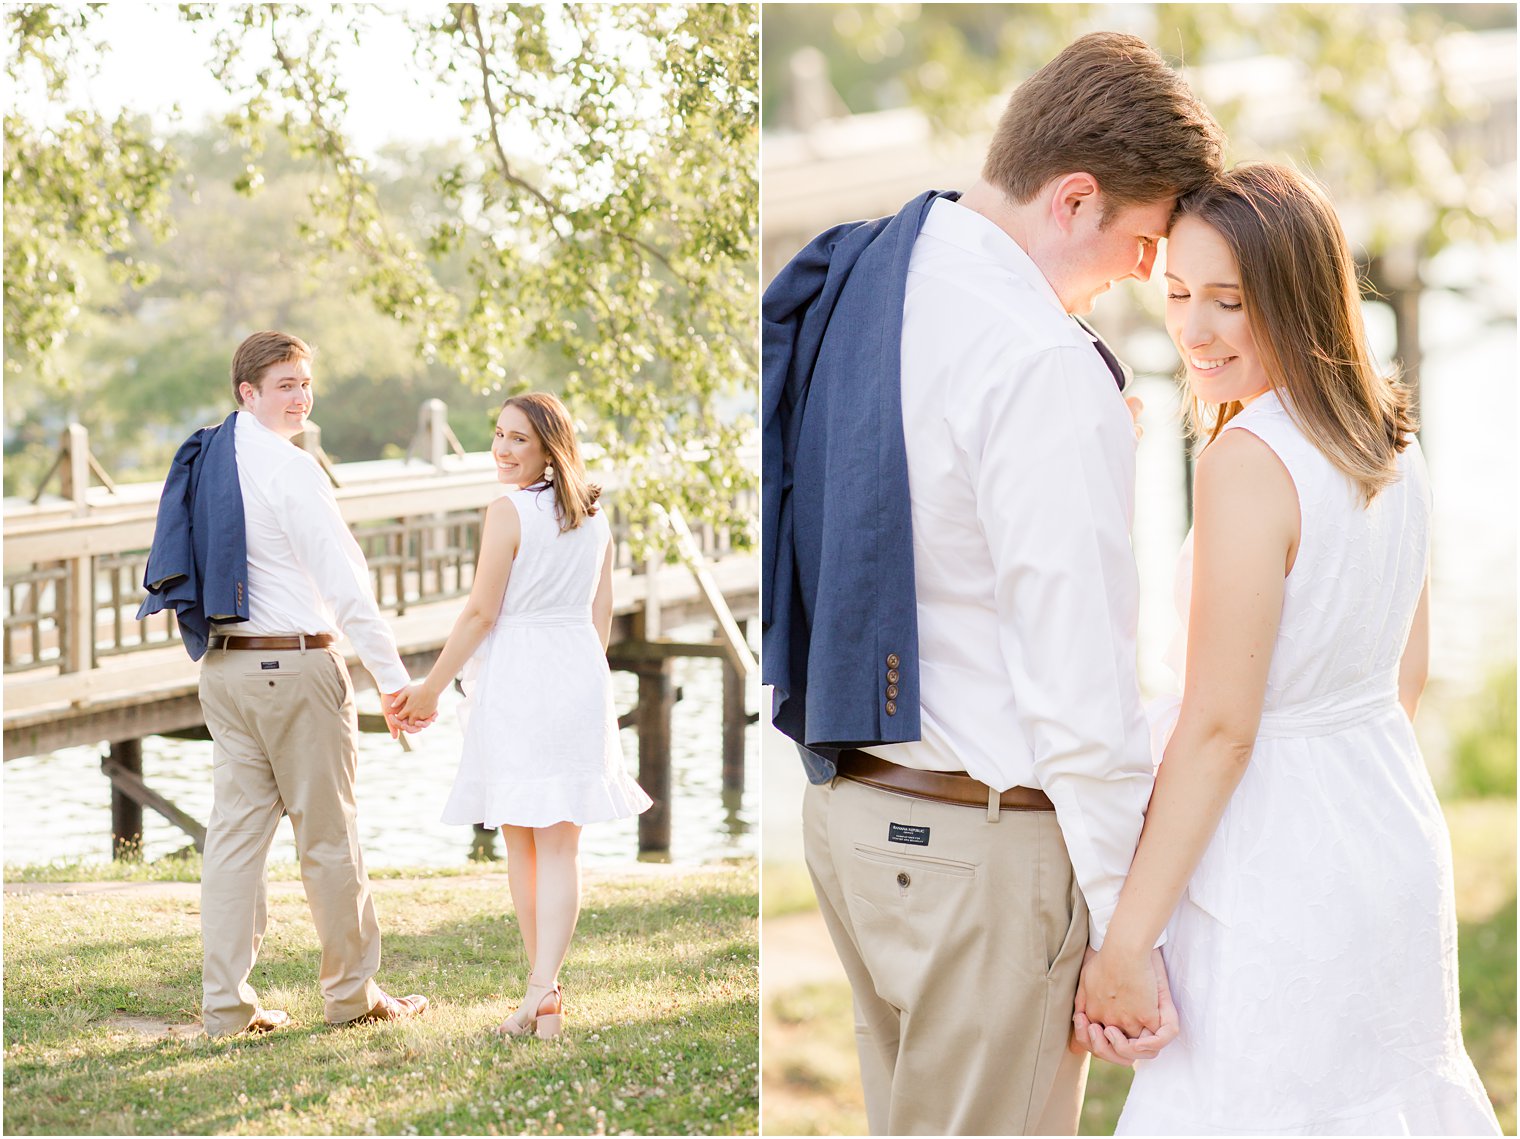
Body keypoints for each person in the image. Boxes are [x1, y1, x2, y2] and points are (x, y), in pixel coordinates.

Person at [762, 32, 1225, 1135]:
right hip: (980, 854)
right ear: (1073, 197)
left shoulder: (866, 272)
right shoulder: (1038, 365)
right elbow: (1077, 696)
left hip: (850, 816)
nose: (1146, 274)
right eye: (1144, 238)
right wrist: (1128, 932)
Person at [1073, 163, 1502, 1134]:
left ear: (1298, 296)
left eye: (1228, 300)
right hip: (1385, 827)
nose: (1193, 330)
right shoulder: (1387, 439)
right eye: (1177, 295)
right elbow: (1406, 672)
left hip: (1271, 867)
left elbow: (1221, 727)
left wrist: (1126, 941)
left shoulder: (1246, 460)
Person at [138, 330, 431, 1036]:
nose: (300, 397)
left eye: (304, 382)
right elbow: (347, 587)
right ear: (248, 392)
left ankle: (226, 1007)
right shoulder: (290, 469)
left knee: (234, 839)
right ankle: (352, 995)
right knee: (328, 837)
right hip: (294, 668)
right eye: (284, 386)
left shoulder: (210, 454)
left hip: (227, 669)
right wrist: (395, 682)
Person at [392, 392, 651, 1040]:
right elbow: (601, 613)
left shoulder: (506, 511)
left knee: (532, 844)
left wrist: (428, 688)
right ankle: (546, 996)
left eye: (518, 440)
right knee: (550, 844)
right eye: (499, 435)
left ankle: (540, 990)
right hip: (578, 672)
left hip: (520, 675)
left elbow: (481, 613)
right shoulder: (595, 515)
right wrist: (587, 677)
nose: (502, 450)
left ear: (547, 449)